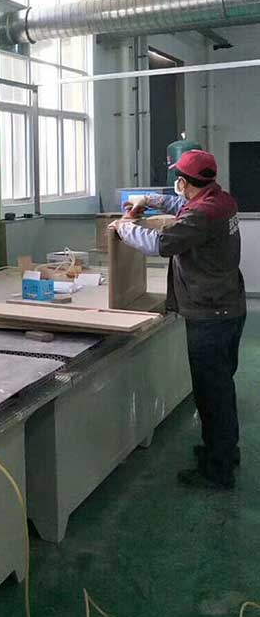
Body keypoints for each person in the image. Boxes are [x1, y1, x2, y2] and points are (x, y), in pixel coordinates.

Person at [111, 151, 246, 491]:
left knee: (212, 393)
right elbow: (179, 206)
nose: (177, 187)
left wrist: (125, 227)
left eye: (178, 181)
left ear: (184, 182)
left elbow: (161, 243)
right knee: (220, 387)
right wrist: (147, 200)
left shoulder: (202, 214)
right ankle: (223, 451)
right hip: (228, 306)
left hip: (210, 314)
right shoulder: (221, 200)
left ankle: (218, 471)